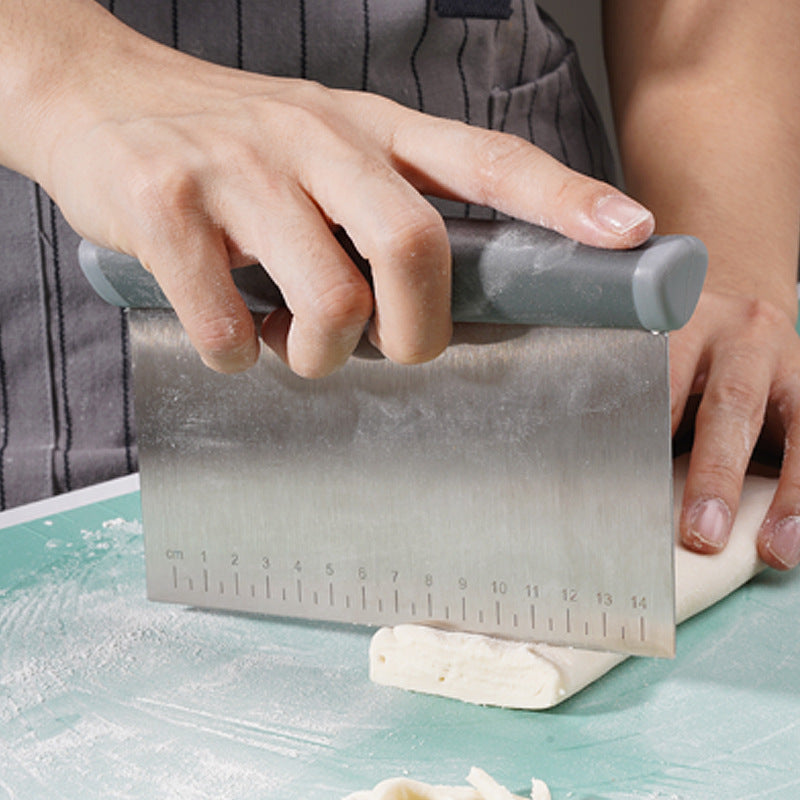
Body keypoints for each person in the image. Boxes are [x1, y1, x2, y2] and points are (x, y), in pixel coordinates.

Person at [0, 1, 798, 572]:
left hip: (547, 351)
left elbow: (704, 41)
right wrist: (62, 75)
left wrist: (726, 272)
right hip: (58, 325)